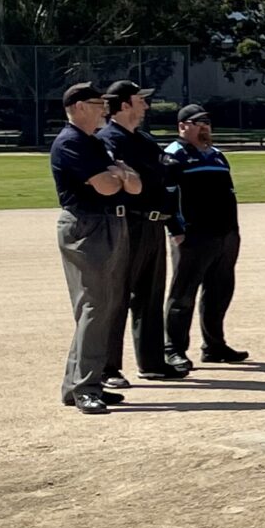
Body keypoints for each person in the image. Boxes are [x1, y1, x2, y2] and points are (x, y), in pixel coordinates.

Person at [52, 82, 141, 413]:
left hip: (110, 223)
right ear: (77, 107)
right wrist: (117, 175)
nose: (104, 108)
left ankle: (76, 384)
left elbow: (135, 185)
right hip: (87, 226)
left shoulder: (93, 142)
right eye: (96, 102)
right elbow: (106, 186)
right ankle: (86, 386)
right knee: (94, 305)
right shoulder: (71, 143)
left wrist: (119, 175)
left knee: (103, 305)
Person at [98, 80, 178, 383]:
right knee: (117, 296)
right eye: (139, 100)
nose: (145, 105)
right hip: (127, 223)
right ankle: (108, 367)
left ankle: (152, 362)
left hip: (153, 224)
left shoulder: (144, 140)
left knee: (150, 295)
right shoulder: (109, 140)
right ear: (124, 104)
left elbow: (165, 174)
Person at [161, 104, 247, 370]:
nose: (204, 127)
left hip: (225, 235)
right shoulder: (173, 155)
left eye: (207, 122)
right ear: (183, 126)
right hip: (193, 236)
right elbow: (167, 196)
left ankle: (214, 345)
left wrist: (233, 232)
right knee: (183, 294)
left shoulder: (218, 156)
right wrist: (175, 229)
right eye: (198, 123)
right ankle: (173, 349)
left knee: (219, 292)